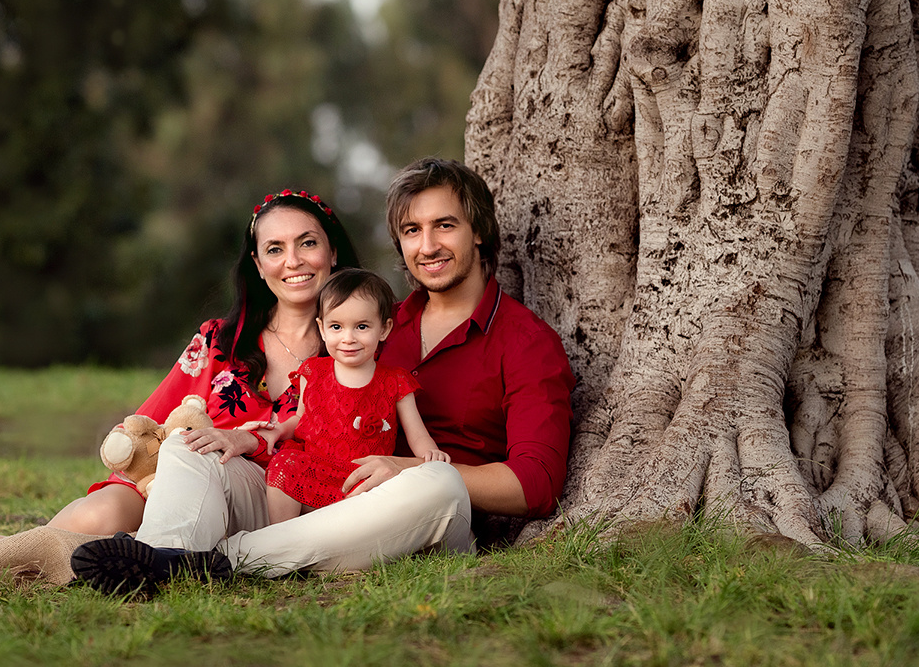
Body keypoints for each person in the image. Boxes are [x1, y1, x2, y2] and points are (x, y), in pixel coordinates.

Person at [71, 157, 573, 594]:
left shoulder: (525, 343)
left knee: (438, 483)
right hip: (322, 501)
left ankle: (225, 560)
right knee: (189, 447)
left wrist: (406, 468)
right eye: (411, 231)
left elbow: (537, 484)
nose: (428, 246)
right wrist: (252, 438)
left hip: (415, 516)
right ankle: (162, 557)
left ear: (478, 230)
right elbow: (315, 414)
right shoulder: (372, 326)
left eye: (445, 225)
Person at [0, 188, 359, 576]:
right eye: (274, 249)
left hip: (280, 506)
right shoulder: (219, 342)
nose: (293, 261)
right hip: (189, 485)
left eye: (307, 243)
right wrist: (132, 483)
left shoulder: (362, 340)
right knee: (102, 515)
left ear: (332, 251)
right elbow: (153, 426)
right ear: (257, 265)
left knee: (124, 536)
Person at [254, 268, 449, 523]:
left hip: (365, 482)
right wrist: (280, 430)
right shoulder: (313, 372)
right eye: (336, 326)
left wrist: (431, 454)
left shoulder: (396, 382)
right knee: (284, 463)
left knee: (402, 491)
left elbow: (417, 434)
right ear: (322, 328)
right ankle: (281, 533)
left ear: (384, 329)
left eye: (361, 326)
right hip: (316, 475)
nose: (348, 338)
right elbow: (300, 419)